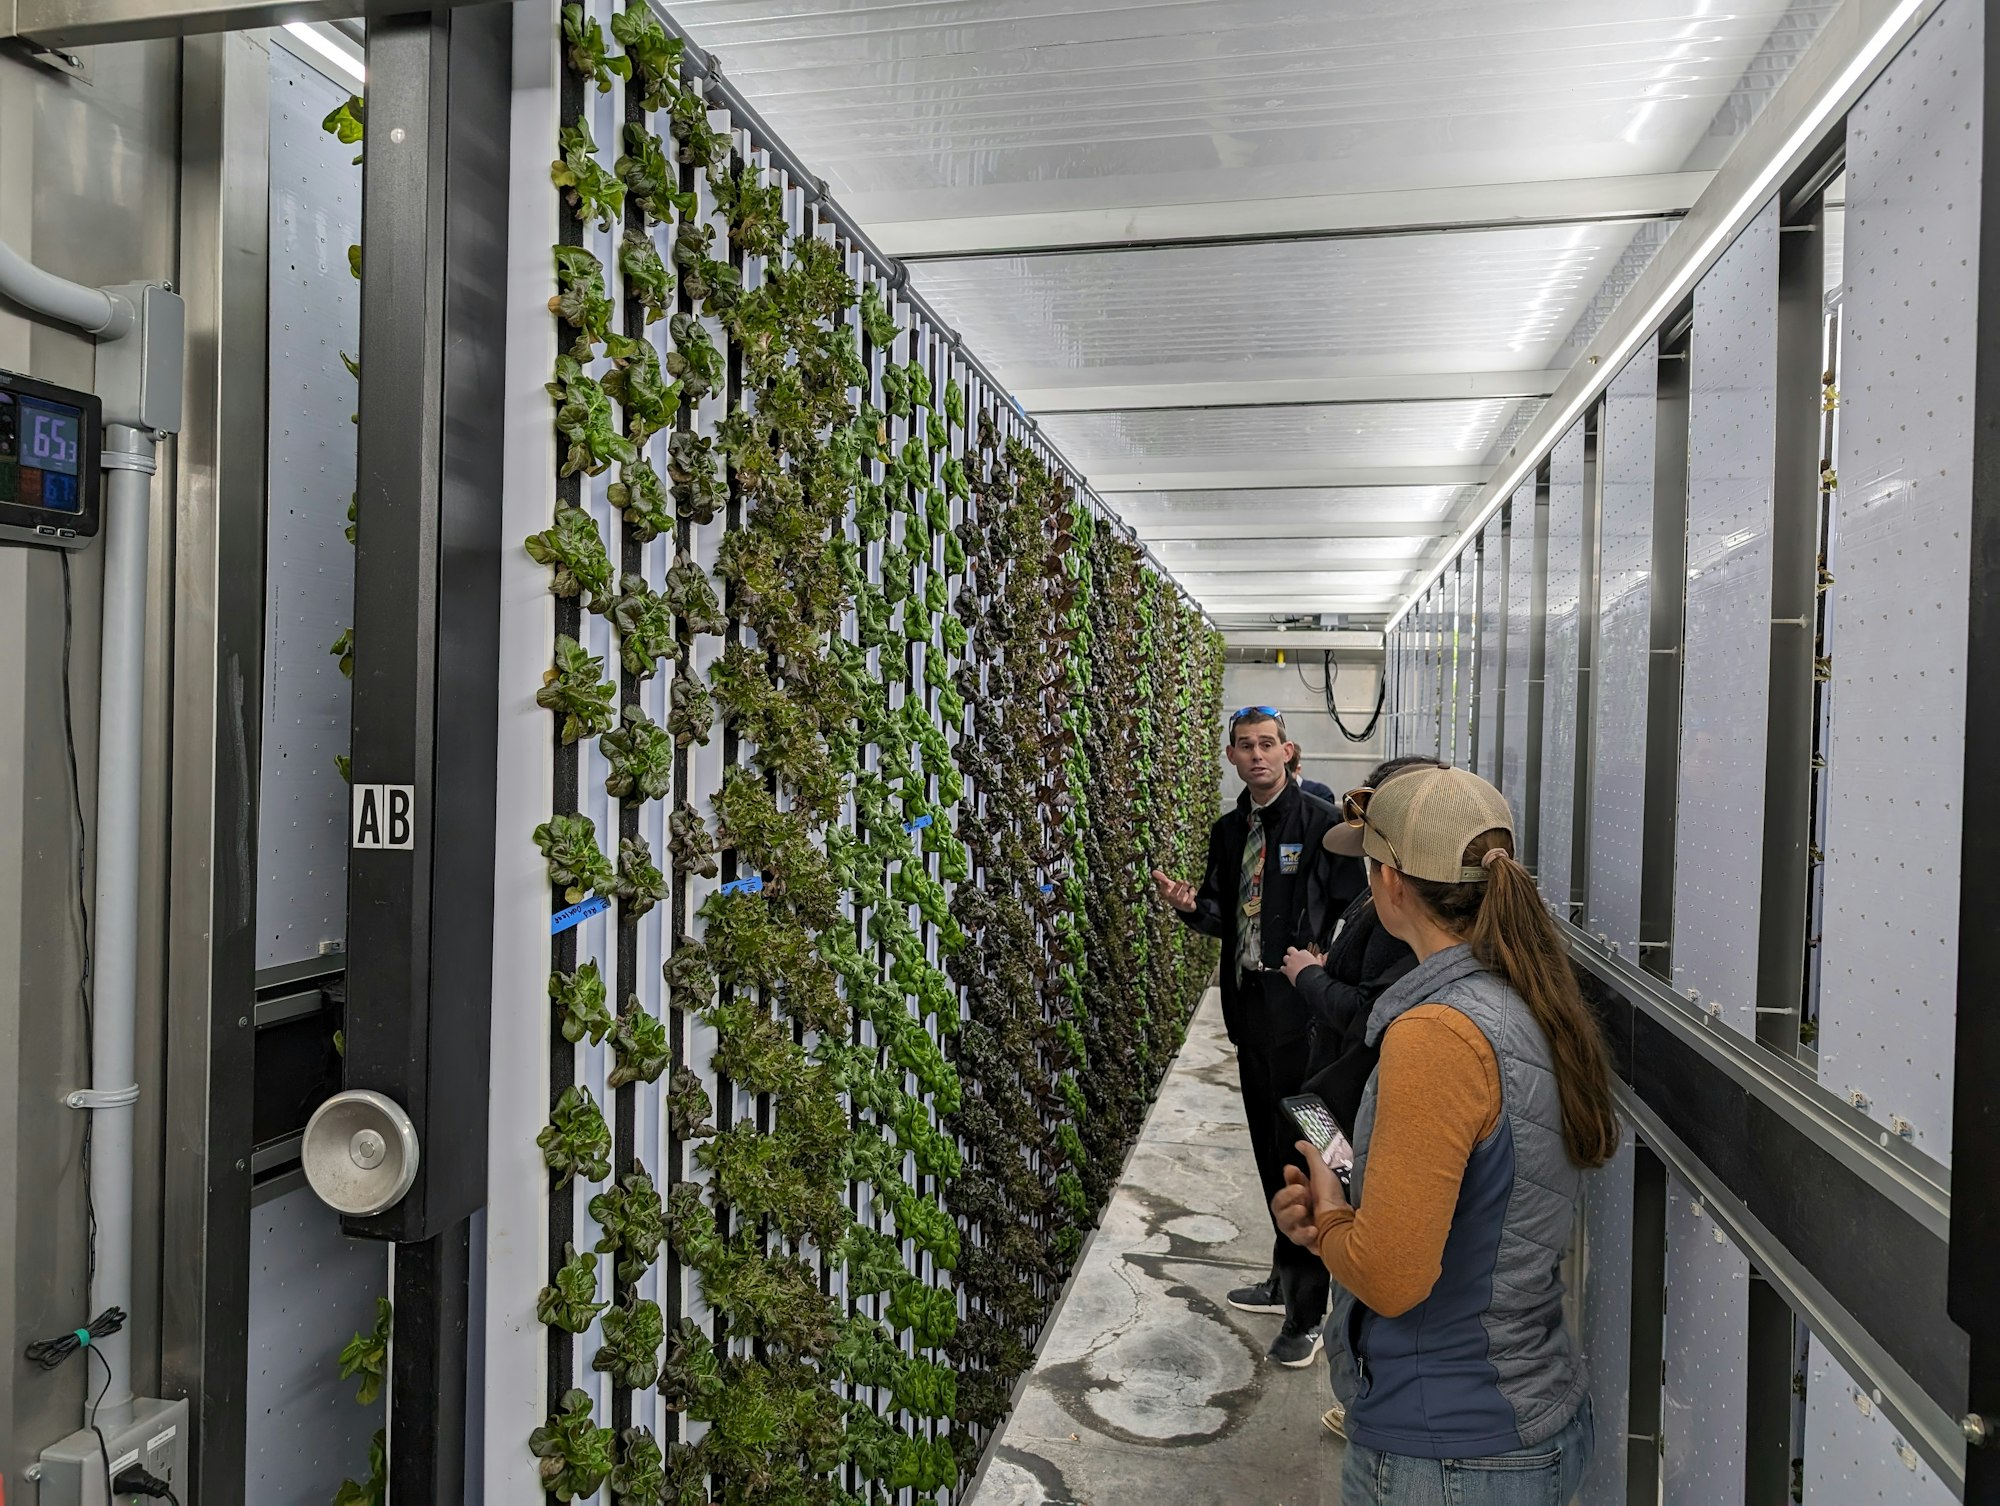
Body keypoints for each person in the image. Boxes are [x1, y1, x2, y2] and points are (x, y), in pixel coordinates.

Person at [1271, 766, 1618, 1502]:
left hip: (1449, 1452)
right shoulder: (1524, 997)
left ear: (1391, 886)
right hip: (1521, 1412)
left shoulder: (1438, 1034)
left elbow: (1393, 1279)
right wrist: (1340, 1226)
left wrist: (1333, 1215)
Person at [1151, 706, 1337, 1366]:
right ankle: (1287, 1274)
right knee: (1269, 1156)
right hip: (1252, 1017)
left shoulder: (1323, 826)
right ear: (1230, 756)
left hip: (1307, 1027)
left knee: (1307, 1158)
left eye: (1267, 744)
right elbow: (1222, 915)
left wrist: (1325, 971)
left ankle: (1309, 1313)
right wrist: (1188, 906)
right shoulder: (1231, 832)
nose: (1257, 755)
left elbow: (1355, 908)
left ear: (1289, 752)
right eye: (1244, 746)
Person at [1276, 754, 1442, 1439]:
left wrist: (1310, 978)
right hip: (1334, 1100)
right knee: (1336, 1224)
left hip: (1351, 1103)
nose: (1370, 873)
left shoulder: (1438, 1024)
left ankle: (1369, 1392)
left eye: (1375, 856)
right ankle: (1358, 1383)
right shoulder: (1370, 908)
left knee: (1362, 1246)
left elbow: (1372, 1012)